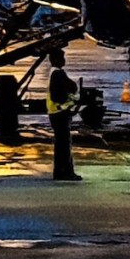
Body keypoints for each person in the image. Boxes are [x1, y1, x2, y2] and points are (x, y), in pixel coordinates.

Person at [47, 48, 80, 181]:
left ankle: (62, 171)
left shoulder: (54, 73)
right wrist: (68, 102)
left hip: (56, 112)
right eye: (61, 58)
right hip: (59, 112)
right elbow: (57, 95)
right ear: (55, 60)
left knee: (62, 143)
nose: (64, 60)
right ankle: (64, 172)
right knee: (64, 145)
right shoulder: (57, 74)